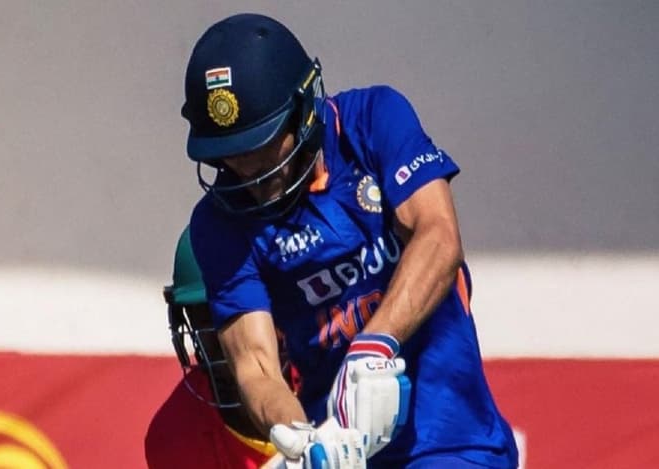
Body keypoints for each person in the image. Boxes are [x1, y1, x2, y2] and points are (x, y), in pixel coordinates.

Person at [181, 12, 519, 469]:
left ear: (303, 110)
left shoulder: (374, 121)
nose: (249, 174)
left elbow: (437, 235)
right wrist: (298, 437)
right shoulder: (217, 223)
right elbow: (256, 365)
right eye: (230, 157)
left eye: (261, 147)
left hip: (453, 444)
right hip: (343, 448)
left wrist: (374, 345)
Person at [144, 226, 292, 468]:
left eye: (244, 309)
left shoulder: (332, 376)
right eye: (209, 316)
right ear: (188, 321)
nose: (232, 334)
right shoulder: (174, 438)